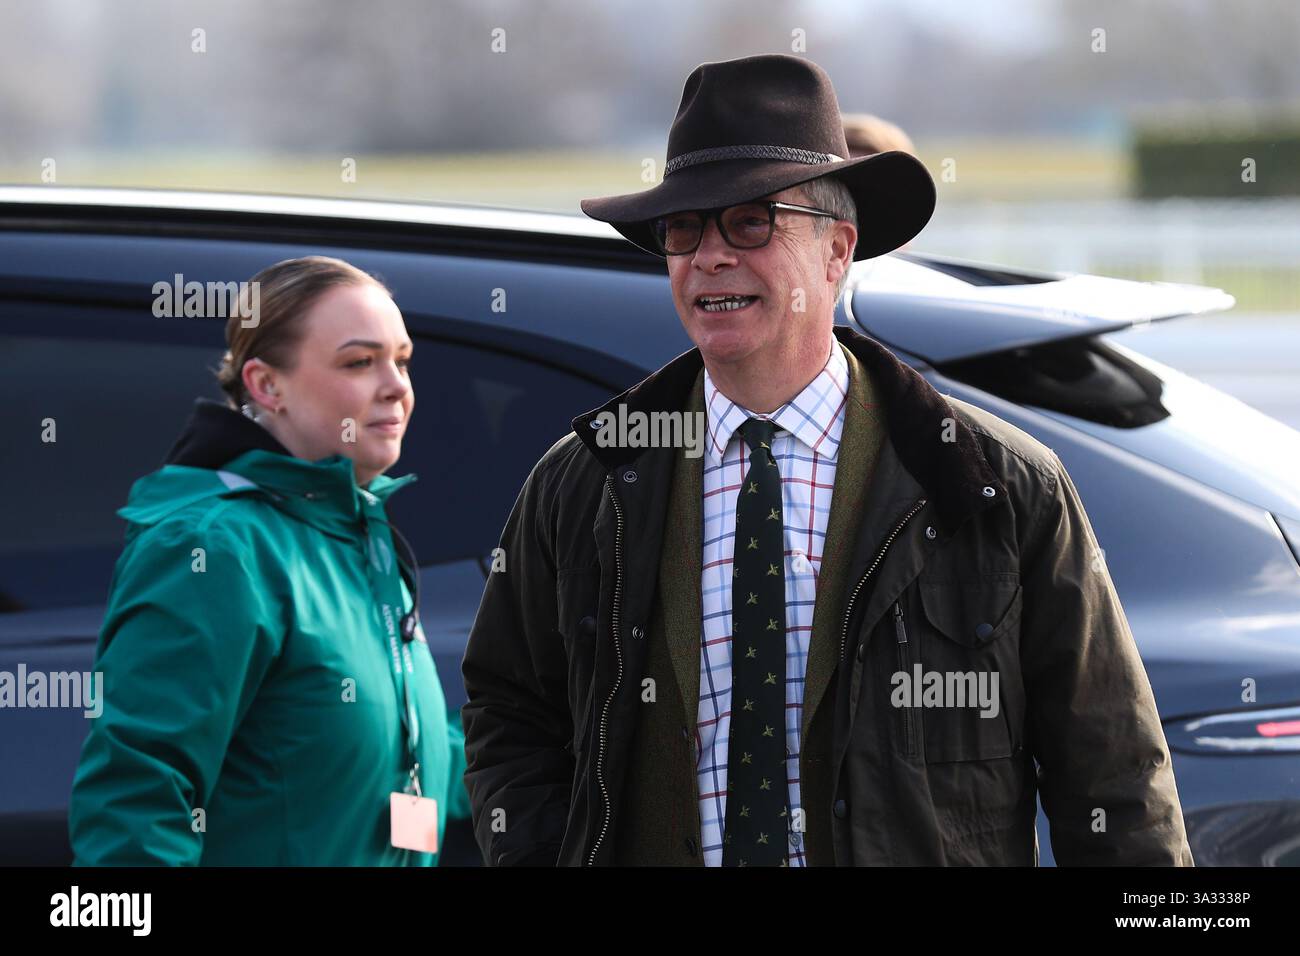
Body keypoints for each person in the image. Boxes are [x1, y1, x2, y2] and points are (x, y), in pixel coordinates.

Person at [461, 54, 1193, 866]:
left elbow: (1115, 775)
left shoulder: (995, 486)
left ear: (837, 251)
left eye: (749, 222)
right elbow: (509, 713)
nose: (709, 256)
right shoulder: (584, 481)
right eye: (683, 229)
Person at [69, 255, 469, 865]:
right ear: (266, 385)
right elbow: (135, 803)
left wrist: (579, 744)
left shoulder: (355, 530)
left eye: (402, 360)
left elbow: (401, 755)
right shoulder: (212, 548)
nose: (396, 386)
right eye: (360, 362)